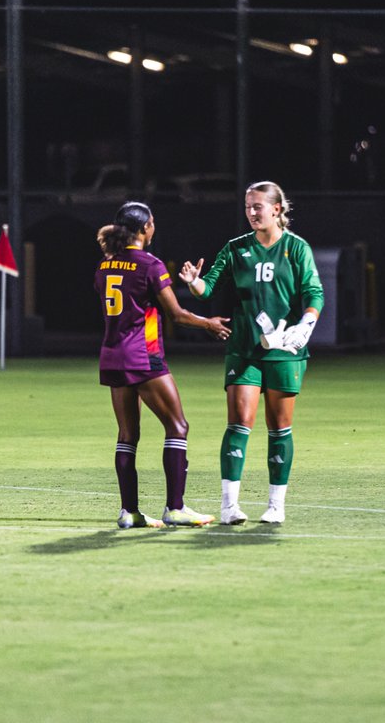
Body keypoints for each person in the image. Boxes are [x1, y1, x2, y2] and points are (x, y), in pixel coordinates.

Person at [179, 181, 324, 525]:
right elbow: (207, 288)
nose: (252, 213)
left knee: (279, 428)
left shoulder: (296, 248)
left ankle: (276, 505)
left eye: (258, 206)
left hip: (284, 352)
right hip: (244, 349)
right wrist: (194, 282)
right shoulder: (235, 248)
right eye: (248, 206)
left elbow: (314, 293)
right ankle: (230, 505)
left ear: (277, 209)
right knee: (239, 423)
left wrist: (305, 325)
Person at [96, 201, 232, 528]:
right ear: (144, 229)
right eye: (152, 221)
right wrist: (209, 323)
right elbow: (177, 314)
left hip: (113, 356)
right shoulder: (150, 265)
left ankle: (129, 512)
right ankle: (175, 508)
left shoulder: (105, 266)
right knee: (178, 426)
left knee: (128, 434)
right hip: (143, 355)